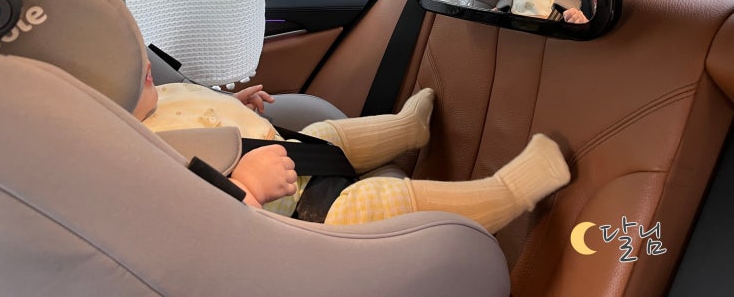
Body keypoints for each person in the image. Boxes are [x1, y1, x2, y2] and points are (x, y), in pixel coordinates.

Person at [133, 61, 571, 233]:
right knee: (376, 200)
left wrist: (232, 105)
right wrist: (247, 187)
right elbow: (204, 228)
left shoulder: (155, 94)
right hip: (292, 217)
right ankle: (510, 192)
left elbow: (196, 109)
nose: (143, 64)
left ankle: (407, 129)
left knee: (326, 133)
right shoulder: (134, 150)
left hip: (285, 153)